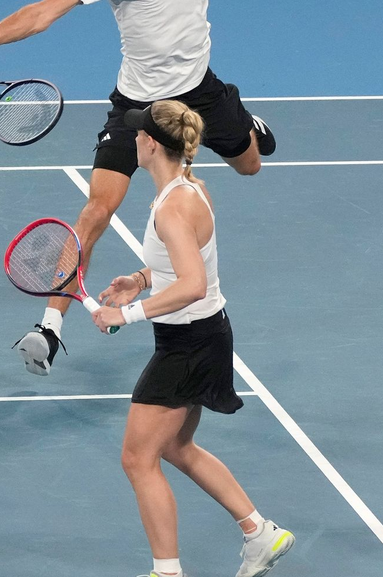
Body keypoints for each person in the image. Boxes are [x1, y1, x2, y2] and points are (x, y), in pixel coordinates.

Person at [0, 0, 290, 375]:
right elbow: (44, 12)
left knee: (250, 165)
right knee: (96, 209)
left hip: (199, 93)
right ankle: (49, 327)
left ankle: (247, 126)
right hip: (138, 106)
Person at [91, 100, 292, 577]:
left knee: (138, 459)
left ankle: (167, 573)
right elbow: (177, 267)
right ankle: (259, 532)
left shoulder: (174, 208)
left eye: (139, 132)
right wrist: (139, 281)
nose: (134, 137)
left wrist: (127, 314)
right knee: (177, 447)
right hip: (204, 336)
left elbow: (191, 285)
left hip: (189, 345)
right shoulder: (186, 189)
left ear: (151, 144)